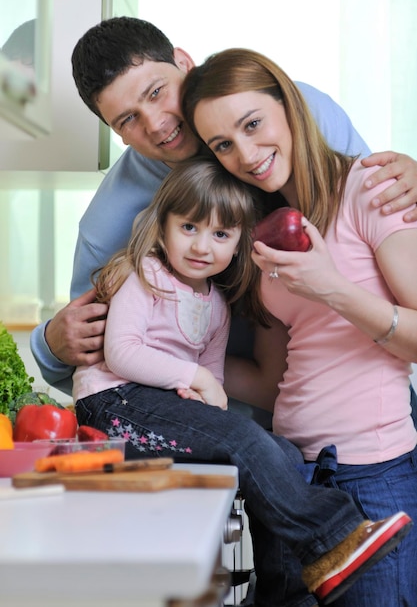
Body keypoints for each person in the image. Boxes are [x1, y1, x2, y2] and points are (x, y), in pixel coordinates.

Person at [73, 153, 411, 607]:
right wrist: (193, 378)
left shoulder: (215, 306)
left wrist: (206, 398)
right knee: (244, 440)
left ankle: (286, 591)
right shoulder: (145, 275)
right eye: (188, 228)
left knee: (284, 453)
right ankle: (333, 537)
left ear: (239, 245)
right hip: (114, 404)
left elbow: (212, 377)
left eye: (220, 234)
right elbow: (122, 352)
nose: (201, 246)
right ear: (163, 226)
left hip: (164, 411)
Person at [29, 16, 417, 403]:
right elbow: (96, 369)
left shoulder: (296, 112)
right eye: (128, 120)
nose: (156, 123)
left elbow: (378, 211)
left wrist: (408, 177)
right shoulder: (108, 223)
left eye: (156, 92)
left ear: (184, 63)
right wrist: (50, 346)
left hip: (372, 392)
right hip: (235, 415)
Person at [180, 47, 417, 606]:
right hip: (290, 479)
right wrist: (166, 357)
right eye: (223, 145)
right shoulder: (263, 238)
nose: (246, 153)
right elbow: (271, 379)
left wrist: (329, 284)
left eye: (253, 124)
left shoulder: (371, 186)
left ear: (289, 105)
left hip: (372, 476)